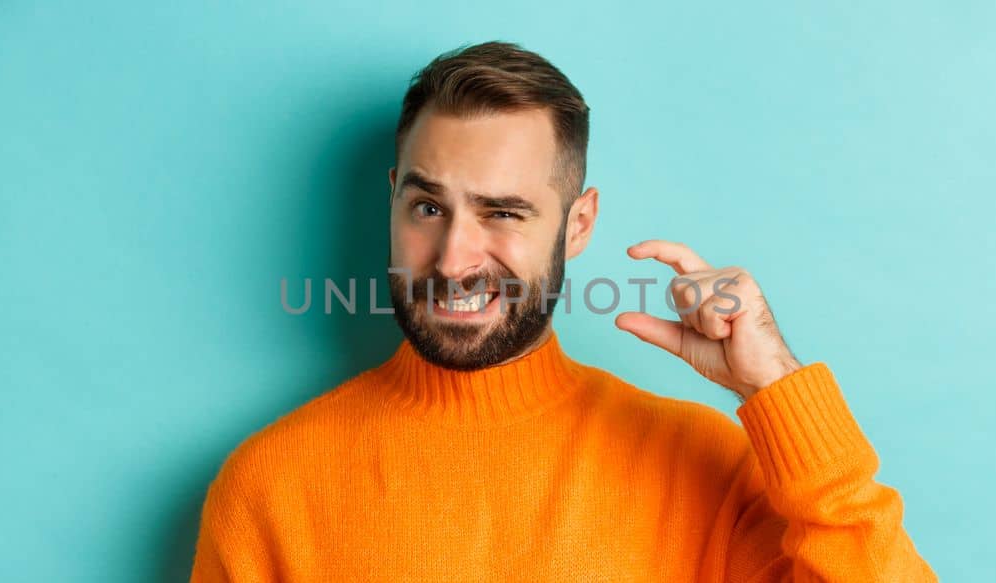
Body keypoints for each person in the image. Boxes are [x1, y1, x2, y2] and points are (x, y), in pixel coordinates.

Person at [190, 41, 935, 582]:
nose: (453, 259)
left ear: (578, 224)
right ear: (392, 197)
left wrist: (777, 389)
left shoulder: (707, 472)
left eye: (503, 212)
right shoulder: (270, 485)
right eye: (427, 206)